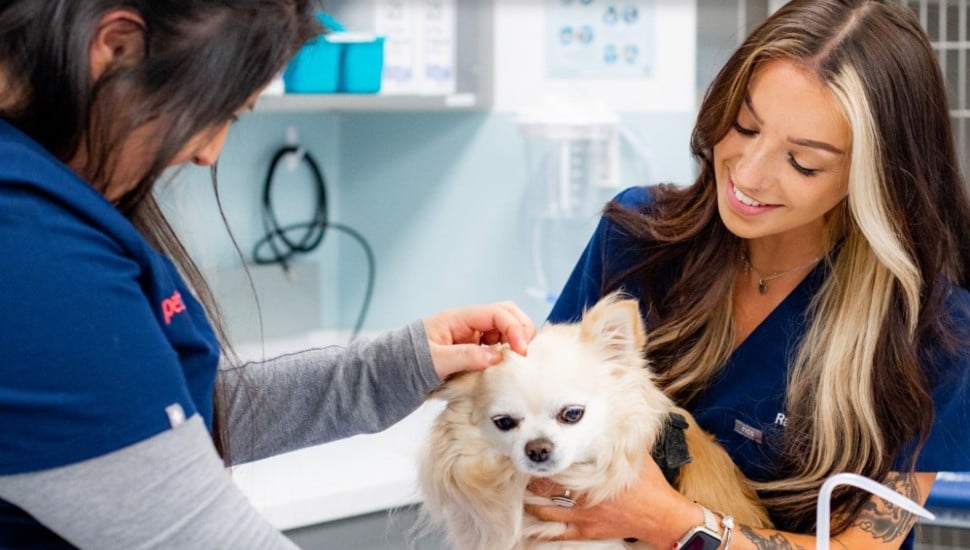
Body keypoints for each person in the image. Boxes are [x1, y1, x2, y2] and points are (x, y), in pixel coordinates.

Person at [0, 1, 536, 548]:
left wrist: (394, 367)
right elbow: (196, 534)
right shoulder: (31, 249)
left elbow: (162, 414)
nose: (210, 152)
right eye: (223, 113)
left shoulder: (47, 207)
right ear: (117, 48)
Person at [527, 1, 970, 549]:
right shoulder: (639, 241)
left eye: (803, 162)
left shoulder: (932, 331)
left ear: (873, 176)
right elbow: (535, 440)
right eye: (744, 125)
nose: (749, 174)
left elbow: (866, 546)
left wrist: (670, 521)